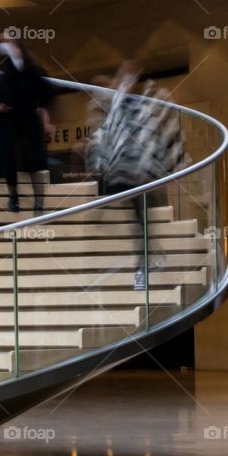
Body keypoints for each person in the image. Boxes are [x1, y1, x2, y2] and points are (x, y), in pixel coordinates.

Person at [84, 63, 184, 289]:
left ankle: (145, 264)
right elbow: (103, 125)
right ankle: (147, 260)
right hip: (127, 174)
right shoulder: (117, 106)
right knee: (138, 219)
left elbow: (154, 129)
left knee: (141, 220)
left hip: (140, 175)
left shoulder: (141, 103)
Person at [0, 33, 55, 213]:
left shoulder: (32, 69)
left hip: (28, 119)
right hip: (5, 120)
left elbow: (45, 97)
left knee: (33, 162)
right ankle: (13, 197)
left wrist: (46, 121)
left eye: (8, 41)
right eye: (1, 42)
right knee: (9, 161)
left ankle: (39, 202)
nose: (4, 45)